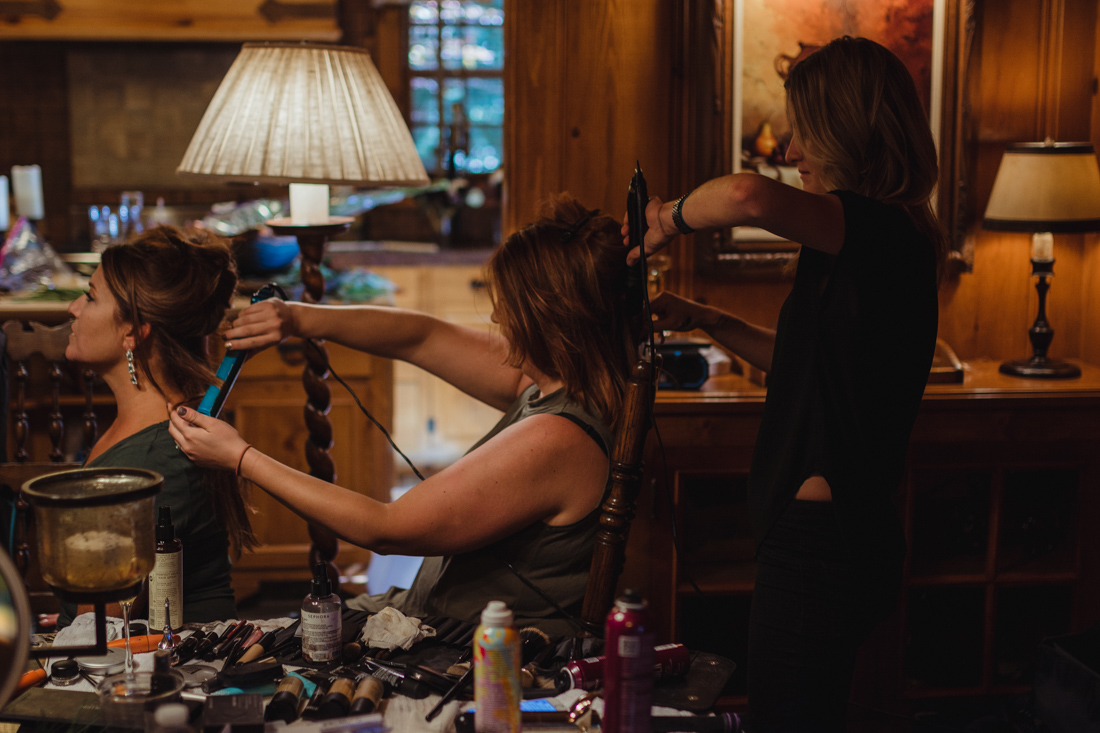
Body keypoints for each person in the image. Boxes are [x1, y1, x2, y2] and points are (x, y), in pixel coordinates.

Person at [624, 37, 946, 732]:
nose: (791, 150)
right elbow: (806, 364)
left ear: (845, 131)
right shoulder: (870, 244)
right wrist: (704, 317)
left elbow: (745, 192)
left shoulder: (879, 232)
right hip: (823, 541)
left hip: (818, 548)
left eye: (803, 130)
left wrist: (661, 219)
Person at [170, 195, 643, 635]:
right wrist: (297, 318)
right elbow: (421, 338)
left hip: (479, 649)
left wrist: (241, 457)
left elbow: (385, 527)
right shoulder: (554, 386)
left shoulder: (560, 438)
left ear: (548, 320)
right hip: (440, 620)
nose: (499, 319)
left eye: (510, 306)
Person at [59, 226, 256, 628]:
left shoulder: (156, 461)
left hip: (169, 671)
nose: (73, 308)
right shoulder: (147, 426)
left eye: (91, 297)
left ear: (133, 331)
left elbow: (98, 628)